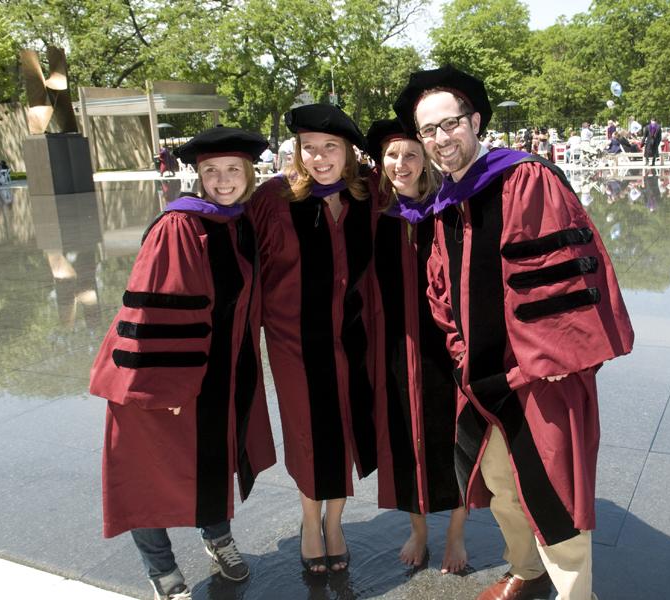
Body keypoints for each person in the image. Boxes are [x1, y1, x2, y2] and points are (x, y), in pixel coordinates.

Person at [394, 65, 634, 600]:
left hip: (539, 372)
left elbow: (558, 273)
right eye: (428, 130)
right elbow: (441, 289)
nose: (440, 138)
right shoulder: (446, 202)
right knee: (502, 484)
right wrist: (461, 355)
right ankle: (525, 571)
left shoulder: (525, 178)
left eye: (449, 123)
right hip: (480, 376)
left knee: (554, 487)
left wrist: (550, 361)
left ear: (475, 121)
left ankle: (576, 593)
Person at [88, 127, 277, 600]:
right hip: (160, 380)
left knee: (212, 462)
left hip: (218, 376)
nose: (224, 180)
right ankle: (163, 571)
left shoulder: (238, 223)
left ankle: (218, 539)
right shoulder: (180, 226)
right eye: (212, 171)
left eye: (234, 170)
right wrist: (164, 387)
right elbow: (156, 307)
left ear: (249, 173)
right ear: (199, 176)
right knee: (147, 475)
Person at [248, 104, 377, 574]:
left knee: (345, 425)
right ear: (297, 152)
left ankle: (336, 521)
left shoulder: (367, 195)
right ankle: (309, 520)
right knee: (307, 430)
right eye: (310, 148)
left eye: (331, 148)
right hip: (294, 341)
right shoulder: (273, 198)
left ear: (349, 153)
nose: (320, 158)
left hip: (355, 336)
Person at [366, 118, 480, 574]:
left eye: (411, 154)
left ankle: (455, 533)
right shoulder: (372, 214)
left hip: (445, 343)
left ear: (426, 157)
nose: (401, 164)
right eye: (392, 156)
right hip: (394, 344)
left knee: (452, 437)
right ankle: (418, 529)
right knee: (403, 438)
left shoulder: (450, 207)